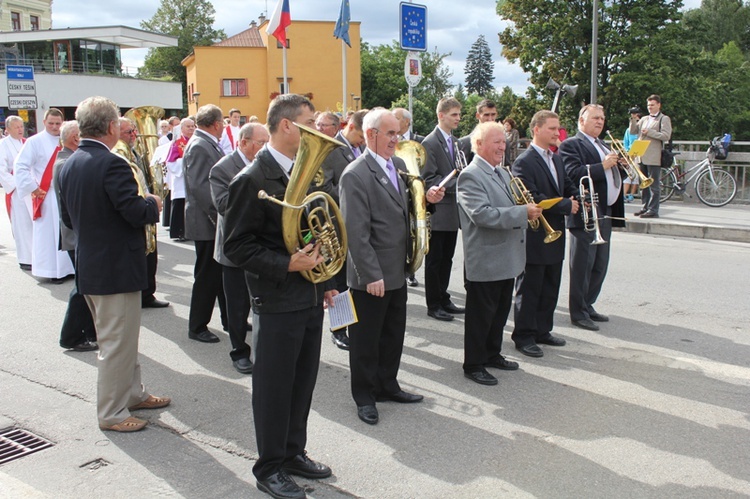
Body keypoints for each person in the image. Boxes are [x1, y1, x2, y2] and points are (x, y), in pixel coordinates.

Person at [223, 94, 335, 499]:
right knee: (274, 388)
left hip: (309, 296)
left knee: (302, 381)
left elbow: (320, 233)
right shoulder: (250, 179)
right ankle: (268, 466)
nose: (316, 131)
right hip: (276, 299)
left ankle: (292, 452)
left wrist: (328, 281)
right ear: (287, 126)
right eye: (309, 123)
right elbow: (236, 247)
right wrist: (286, 265)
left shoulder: (308, 174)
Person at [59, 96, 170, 433]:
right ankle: (112, 412)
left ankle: (132, 394)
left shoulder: (69, 163)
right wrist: (152, 202)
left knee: (123, 340)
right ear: (110, 127)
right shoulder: (112, 163)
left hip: (93, 265)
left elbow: (68, 218)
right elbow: (137, 212)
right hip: (115, 270)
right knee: (116, 345)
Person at [339, 108, 445, 425]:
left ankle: (387, 385)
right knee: (365, 340)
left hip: (397, 268)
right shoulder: (354, 174)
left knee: (392, 335)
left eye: (397, 133)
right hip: (372, 274)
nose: (395, 140)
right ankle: (365, 397)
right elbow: (356, 233)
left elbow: (407, 210)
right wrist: (370, 274)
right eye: (390, 133)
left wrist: (428, 200)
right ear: (370, 134)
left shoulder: (397, 165)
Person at [457, 122, 539, 385]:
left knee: (499, 312)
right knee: (481, 316)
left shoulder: (502, 172)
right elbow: (482, 215)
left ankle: (492, 354)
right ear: (479, 144)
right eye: (496, 142)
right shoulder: (470, 175)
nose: (502, 147)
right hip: (487, 259)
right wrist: (521, 213)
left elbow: (512, 203)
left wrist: (527, 207)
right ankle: (474, 363)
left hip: (507, 257)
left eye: (503, 142)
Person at [511, 111, 579, 358]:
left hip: (556, 230)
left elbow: (566, 185)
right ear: (536, 130)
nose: (557, 132)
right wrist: (564, 205)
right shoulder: (524, 161)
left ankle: (542, 330)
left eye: (558, 128)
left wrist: (578, 197)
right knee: (530, 287)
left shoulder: (556, 158)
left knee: (551, 284)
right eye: (552, 128)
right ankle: (524, 336)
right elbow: (531, 197)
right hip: (536, 233)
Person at [209, 122, 269, 374]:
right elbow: (224, 206)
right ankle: (239, 351)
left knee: (262, 301)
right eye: (260, 142)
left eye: (267, 142)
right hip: (235, 248)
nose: (265, 147)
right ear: (243, 142)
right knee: (236, 305)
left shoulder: (266, 164)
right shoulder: (222, 169)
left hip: (262, 245)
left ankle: (265, 350)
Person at [559, 104, 625, 332]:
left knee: (599, 264)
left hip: (605, 211)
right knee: (582, 266)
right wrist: (602, 165)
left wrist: (622, 166)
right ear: (581, 121)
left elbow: (613, 174)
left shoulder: (604, 145)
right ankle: (578, 312)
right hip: (587, 212)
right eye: (595, 118)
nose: (600, 121)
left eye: (602, 118)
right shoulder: (571, 144)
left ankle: (588, 304)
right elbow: (572, 173)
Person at [319, 109, 368, 351]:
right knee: (339, 281)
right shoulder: (332, 148)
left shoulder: (358, 149)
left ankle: (352, 324)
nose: (363, 140)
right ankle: (338, 330)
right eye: (361, 134)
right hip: (338, 225)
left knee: (352, 279)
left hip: (355, 225)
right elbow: (322, 186)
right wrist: (352, 195)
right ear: (350, 127)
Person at [13, 108, 74, 281]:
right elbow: (21, 166)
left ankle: (71, 268)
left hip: (68, 194)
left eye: (58, 123)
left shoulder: (68, 139)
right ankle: (53, 271)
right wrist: (33, 187)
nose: (55, 127)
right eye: (51, 123)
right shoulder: (34, 141)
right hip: (48, 194)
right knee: (51, 234)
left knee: (68, 231)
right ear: (44, 122)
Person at [184, 104, 228, 343]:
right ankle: (197, 325)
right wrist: (219, 215)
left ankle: (230, 319)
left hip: (209, 221)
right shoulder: (201, 145)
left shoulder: (204, 141)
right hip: (206, 222)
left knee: (220, 274)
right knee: (207, 277)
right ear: (217, 123)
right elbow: (202, 188)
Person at [115, 118, 169, 309]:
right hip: (139, 204)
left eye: (134, 131)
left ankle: (148, 293)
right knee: (141, 254)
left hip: (147, 202)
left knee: (151, 253)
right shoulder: (118, 154)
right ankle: (140, 294)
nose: (133, 135)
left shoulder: (134, 150)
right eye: (128, 132)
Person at [53, 120, 97, 352]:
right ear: (75, 138)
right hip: (75, 234)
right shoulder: (65, 162)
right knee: (82, 287)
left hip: (77, 233)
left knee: (85, 286)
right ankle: (70, 336)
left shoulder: (67, 160)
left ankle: (89, 332)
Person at [421, 97, 464, 322]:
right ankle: (433, 303)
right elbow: (429, 178)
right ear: (441, 115)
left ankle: (444, 296)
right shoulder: (430, 142)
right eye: (454, 114)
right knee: (435, 260)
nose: (458, 118)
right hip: (439, 211)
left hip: (452, 212)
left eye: (458, 114)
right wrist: (461, 183)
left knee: (447, 258)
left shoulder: (455, 142)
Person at [392, 106, 423, 288]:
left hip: (413, 193)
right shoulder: (392, 141)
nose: (395, 122)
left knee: (413, 231)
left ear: (407, 122)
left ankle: (411, 271)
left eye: (397, 119)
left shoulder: (419, 140)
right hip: (398, 191)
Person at [631, 94, 671, 218]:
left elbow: (666, 136)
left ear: (659, 105)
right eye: (648, 105)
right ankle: (645, 207)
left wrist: (650, 132)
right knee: (643, 184)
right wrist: (633, 119)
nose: (650, 108)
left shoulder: (664, 119)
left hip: (653, 155)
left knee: (654, 185)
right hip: (641, 154)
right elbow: (633, 131)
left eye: (652, 105)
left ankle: (653, 210)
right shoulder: (644, 119)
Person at [0, 116, 32, 270]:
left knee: (33, 223)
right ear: (7, 129)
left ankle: (36, 256)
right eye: (16, 127)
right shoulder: (3, 145)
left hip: (31, 189)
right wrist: (18, 183)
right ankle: (25, 258)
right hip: (17, 190)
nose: (20, 130)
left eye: (21, 126)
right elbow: (2, 170)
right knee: (22, 224)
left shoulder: (26, 143)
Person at [166, 117, 195, 240]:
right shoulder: (177, 143)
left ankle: (189, 231)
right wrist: (185, 162)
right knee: (179, 206)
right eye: (188, 126)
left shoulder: (195, 141)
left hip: (193, 178)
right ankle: (178, 232)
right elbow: (170, 162)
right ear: (182, 128)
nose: (191, 128)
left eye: (193, 126)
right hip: (181, 179)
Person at [457, 99, 499, 165]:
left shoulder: (503, 142)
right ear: (478, 116)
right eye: (486, 115)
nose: (490, 119)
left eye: (493, 114)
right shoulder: (466, 143)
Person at [622, 107, 643, 203]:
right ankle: (624, 194)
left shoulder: (642, 128)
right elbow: (625, 142)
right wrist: (626, 152)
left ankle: (631, 195)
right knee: (628, 174)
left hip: (639, 151)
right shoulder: (628, 130)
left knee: (636, 175)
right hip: (630, 152)